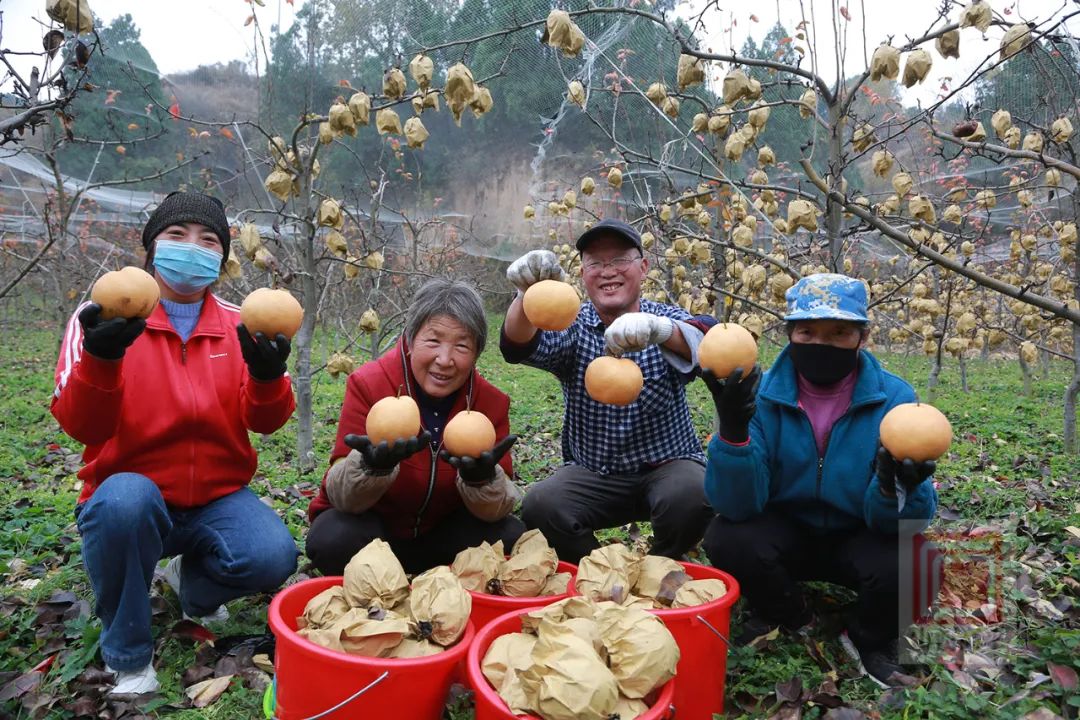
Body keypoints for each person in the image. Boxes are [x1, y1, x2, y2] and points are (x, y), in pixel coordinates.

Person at [52, 192, 299, 696]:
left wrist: (268, 375)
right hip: (133, 495)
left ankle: (195, 587)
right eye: (177, 236)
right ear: (151, 248)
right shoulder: (101, 317)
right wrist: (102, 360)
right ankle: (128, 655)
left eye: (208, 240)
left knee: (272, 555)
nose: (193, 248)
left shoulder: (242, 323)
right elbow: (82, 427)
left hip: (215, 497)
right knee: (124, 503)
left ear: (222, 256)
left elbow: (266, 421)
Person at [701, 273, 939, 687]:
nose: (820, 344)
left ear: (861, 338)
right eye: (807, 331)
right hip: (785, 529)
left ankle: (866, 636)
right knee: (728, 536)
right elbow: (737, 505)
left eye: (839, 332)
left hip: (857, 531)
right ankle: (790, 612)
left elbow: (906, 525)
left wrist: (894, 487)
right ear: (789, 333)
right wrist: (734, 432)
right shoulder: (761, 393)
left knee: (919, 561)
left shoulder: (896, 401)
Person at [501, 218, 715, 563]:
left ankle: (663, 563)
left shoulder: (662, 320)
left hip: (666, 468)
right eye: (596, 263)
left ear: (643, 267)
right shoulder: (574, 325)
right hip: (594, 473)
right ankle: (598, 570)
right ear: (583, 274)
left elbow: (708, 341)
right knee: (542, 505)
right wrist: (526, 294)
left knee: (694, 492)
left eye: (619, 260)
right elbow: (518, 346)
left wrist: (660, 331)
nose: (608, 271)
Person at [306, 278, 525, 575]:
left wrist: (482, 481)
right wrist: (371, 468)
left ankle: (448, 591)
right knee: (333, 536)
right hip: (376, 537)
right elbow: (341, 498)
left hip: (443, 539)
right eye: (433, 341)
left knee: (510, 535)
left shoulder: (490, 403)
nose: (445, 360)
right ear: (410, 340)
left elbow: (498, 511)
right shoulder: (369, 385)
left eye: (462, 345)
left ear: (476, 353)